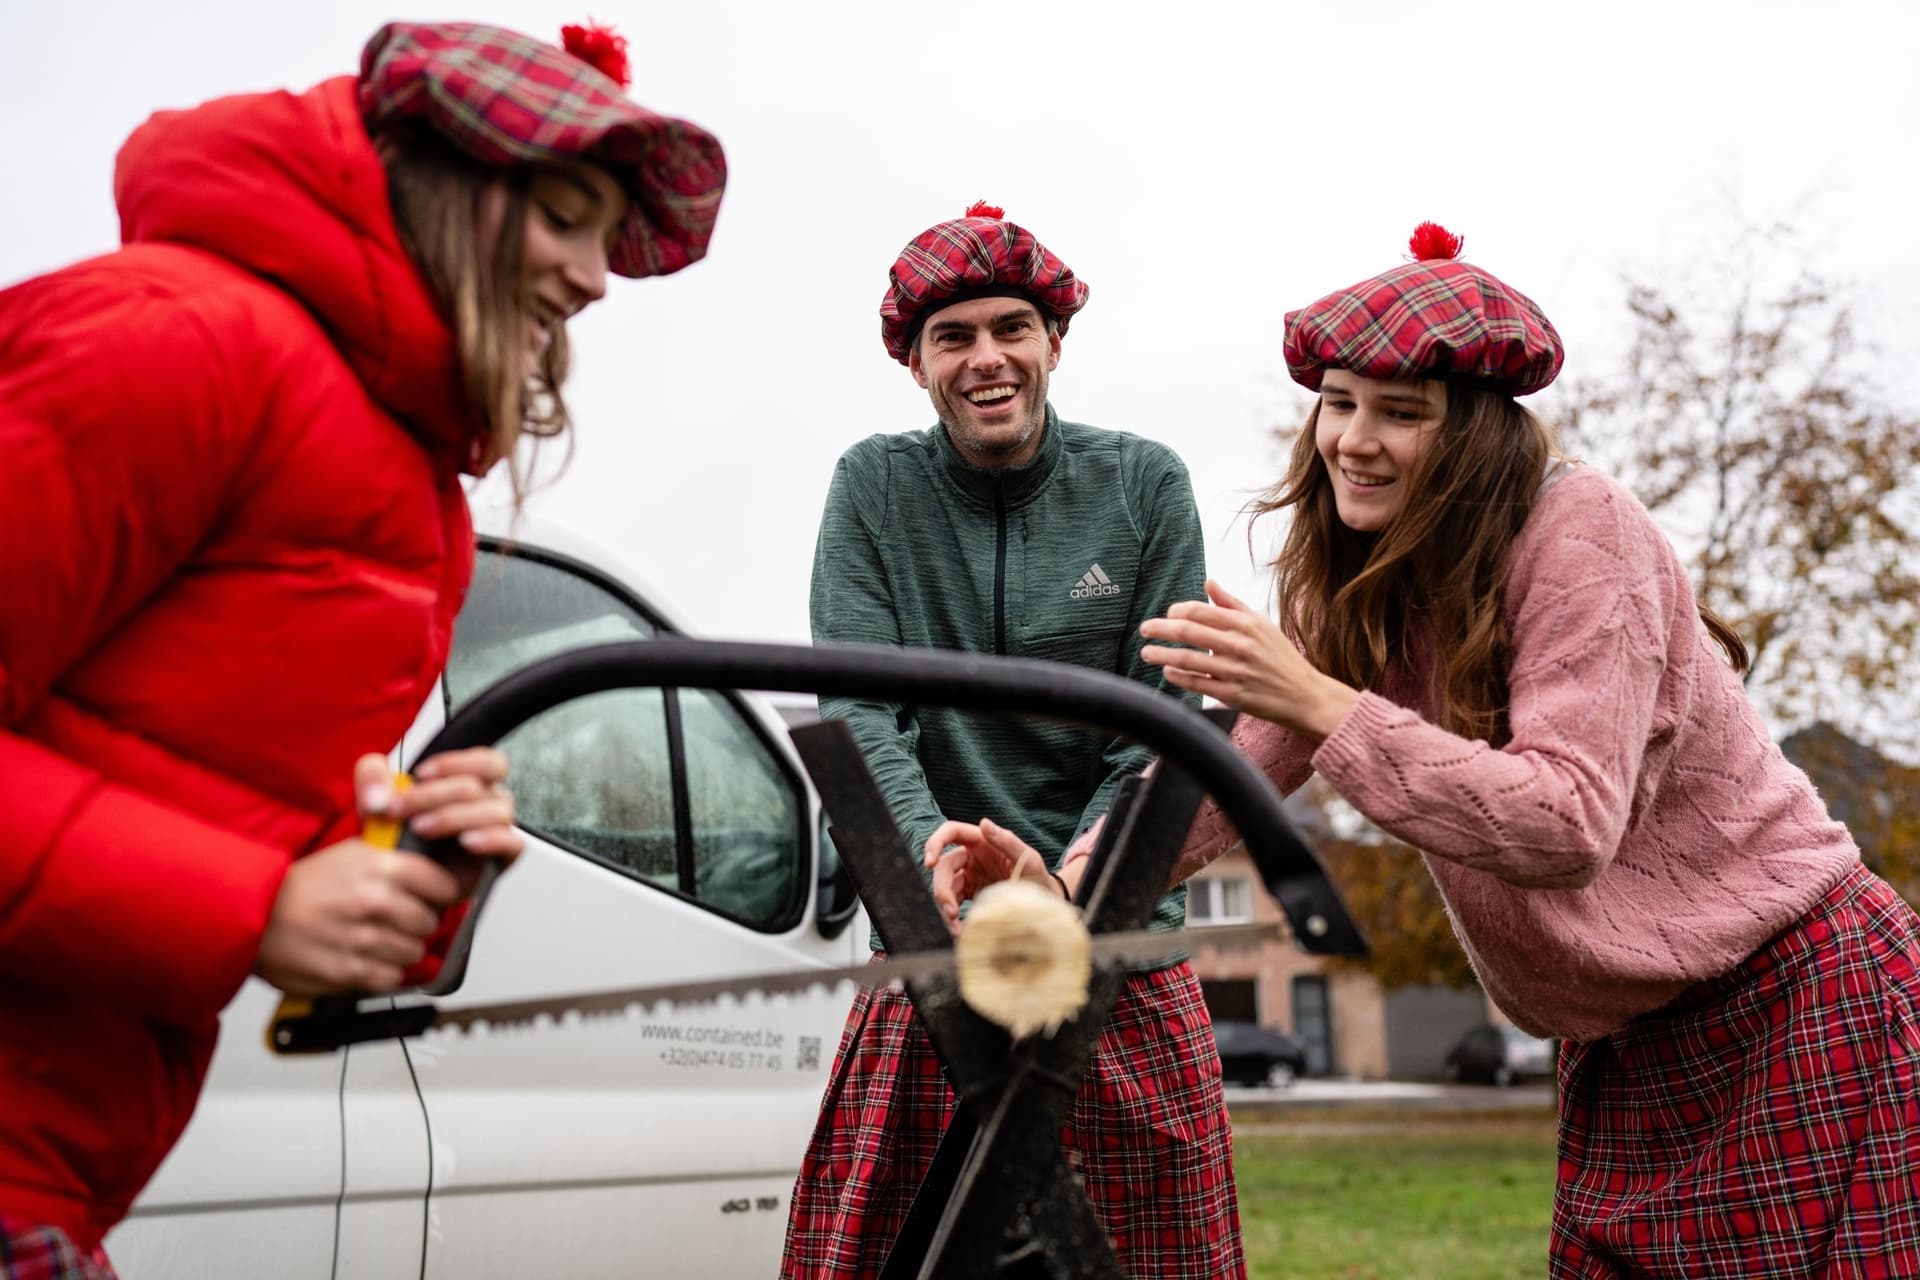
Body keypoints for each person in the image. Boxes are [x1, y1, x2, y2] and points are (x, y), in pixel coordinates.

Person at [976, 222, 1920, 1277]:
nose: (1354, 439)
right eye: (1339, 402)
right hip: (1628, 1048)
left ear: (1473, 433)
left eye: (1401, 412)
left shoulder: (1582, 533)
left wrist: (1325, 704)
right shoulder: (1363, 586)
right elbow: (1219, 768)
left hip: (1798, 996)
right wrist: (1066, 883)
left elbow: (1567, 821)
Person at [0, 20, 725, 1275]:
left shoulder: (413, 493)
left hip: (58, 1157)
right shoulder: (174, 336)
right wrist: (252, 905)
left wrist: (402, 870)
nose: (596, 278)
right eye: (564, 215)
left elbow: (183, 784)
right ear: (440, 186)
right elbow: (234, 888)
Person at [781, 203, 1243, 1278]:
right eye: (953, 336)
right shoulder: (873, 487)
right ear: (915, 363)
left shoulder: (1144, 483)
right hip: (936, 941)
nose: (986, 357)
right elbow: (862, 710)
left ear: (1055, 343)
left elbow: (1156, 723)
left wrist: (1068, 891)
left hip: (1115, 942)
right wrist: (934, 872)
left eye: (1011, 328)